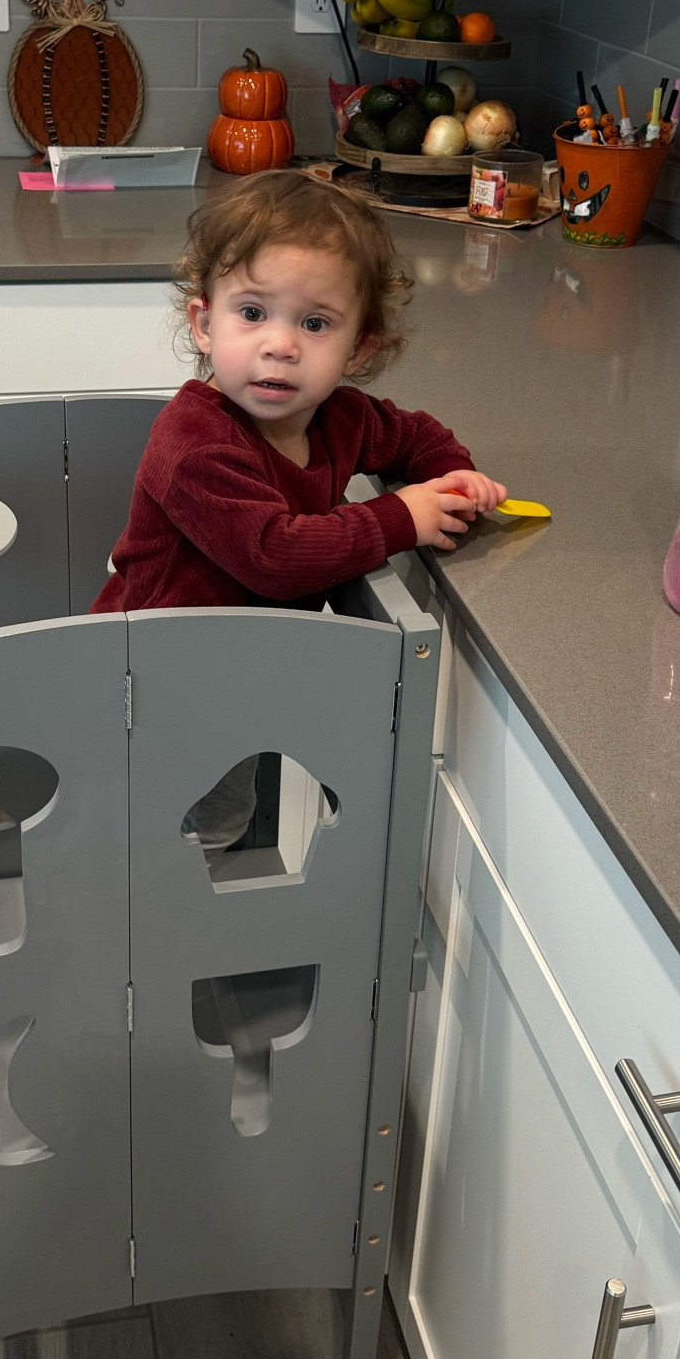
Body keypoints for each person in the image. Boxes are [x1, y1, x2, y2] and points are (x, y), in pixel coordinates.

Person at [92, 169, 504, 855]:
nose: (281, 344)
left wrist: (452, 474)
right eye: (253, 313)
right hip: (158, 687)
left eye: (314, 323)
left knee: (215, 821)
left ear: (358, 347)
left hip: (239, 674)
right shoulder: (193, 443)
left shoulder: (338, 417)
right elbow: (274, 555)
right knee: (162, 834)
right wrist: (401, 517)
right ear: (204, 324)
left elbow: (413, 436)